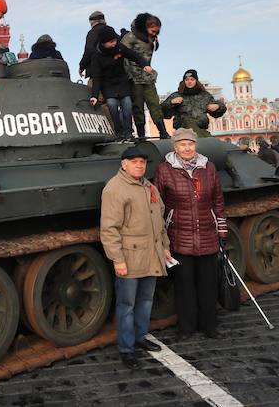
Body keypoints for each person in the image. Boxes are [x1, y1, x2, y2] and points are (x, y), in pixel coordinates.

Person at [100, 147, 171, 369]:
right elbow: (109, 229)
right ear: (124, 164)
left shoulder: (148, 186)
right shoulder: (115, 188)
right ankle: (126, 348)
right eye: (134, 162)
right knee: (126, 304)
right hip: (130, 257)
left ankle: (140, 337)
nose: (139, 165)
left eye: (142, 161)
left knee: (145, 301)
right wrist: (117, 259)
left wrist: (165, 248)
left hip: (150, 254)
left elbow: (159, 221)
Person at [154, 128, 228, 340]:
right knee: (184, 286)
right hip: (179, 235)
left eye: (190, 144)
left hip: (206, 233)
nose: (187, 148)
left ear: (195, 145)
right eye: (182, 144)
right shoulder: (164, 170)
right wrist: (162, 237)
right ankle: (186, 327)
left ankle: (209, 325)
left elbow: (218, 201)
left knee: (208, 284)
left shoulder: (209, 168)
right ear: (175, 147)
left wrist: (221, 230)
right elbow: (158, 204)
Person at [88, 26, 152, 141]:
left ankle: (128, 132)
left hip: (121, 82)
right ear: (103, 43)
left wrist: (145, 65)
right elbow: (96, 78)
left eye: (115, 40)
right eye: (111, 42)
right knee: (112, 105)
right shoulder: (96, 56)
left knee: (127, 105)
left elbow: (135, 56)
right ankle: (119, 132)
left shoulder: (119, 48)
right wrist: (94, 95)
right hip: (108, 85)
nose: (114, 43)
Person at [121, 13, 169, 140]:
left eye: (157, 32)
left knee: (154, 103)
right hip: (134, 77)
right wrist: (129, 76)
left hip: (147, 77)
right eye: (153, 31)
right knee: (138, 106)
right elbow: (123, 56)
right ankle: (141, 134)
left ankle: (163, 132)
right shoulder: (130, 37)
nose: (155, 34)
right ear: (145, 27)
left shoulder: (151, 39)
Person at [160, 70, 226, 138]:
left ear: (196, 81)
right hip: (183, 132)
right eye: (187, 80)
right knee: (188, 121)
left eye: (192, 79)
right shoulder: (177, 95)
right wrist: (171, 103)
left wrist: (218, 106)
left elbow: (218, 112)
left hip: (201, 131)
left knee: (210, 143)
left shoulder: (205, 96)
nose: (189, 82)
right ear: (184, 82)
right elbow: (163, 113)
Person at [79, 11, 108, 79]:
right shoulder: (111, 31)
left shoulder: (92, 33)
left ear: (93, 21)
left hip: (97, 72)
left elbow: (89, 51)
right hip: (114, 73)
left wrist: (81, 66)